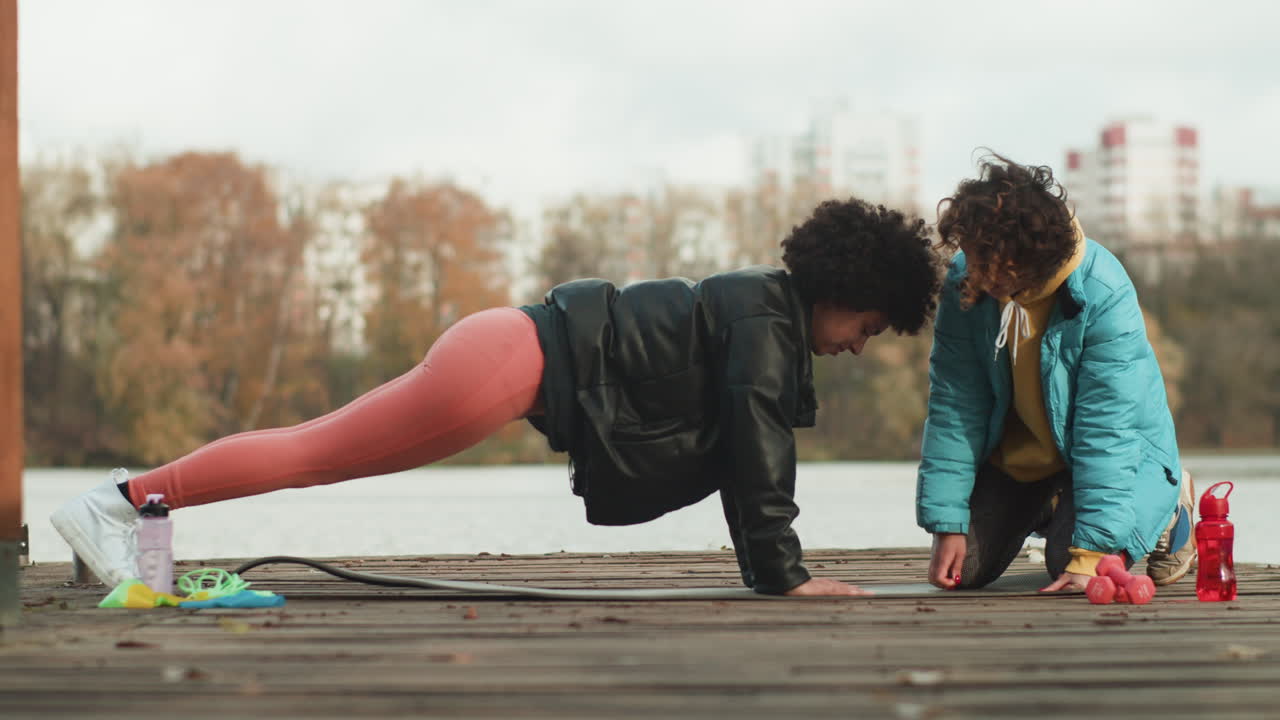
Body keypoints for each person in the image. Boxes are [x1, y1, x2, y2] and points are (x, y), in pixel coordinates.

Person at [53, 197, 942, 597]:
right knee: (312, 455)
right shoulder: (767, 323)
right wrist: (786, 579)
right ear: (844, 288)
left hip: (501, 348)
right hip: (506, 365)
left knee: (310, 444)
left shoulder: (762, 306)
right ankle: (116, 503)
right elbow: (757, 450)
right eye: (867, 325)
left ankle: (124, 517)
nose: (859, 345)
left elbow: (744, 446)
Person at [916, 153, 1195, 594]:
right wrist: (947, 522)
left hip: (1115, 453)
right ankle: (1048, 507)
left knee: (1072, 564)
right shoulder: (966, 281)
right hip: (1021, 460)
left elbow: (1107, 430)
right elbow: (955, 404)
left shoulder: (1104, 291)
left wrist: (1092, 551)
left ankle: (1171, 506)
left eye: (982, 260)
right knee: (962, 571)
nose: (970, 271)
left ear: (1020, 257)